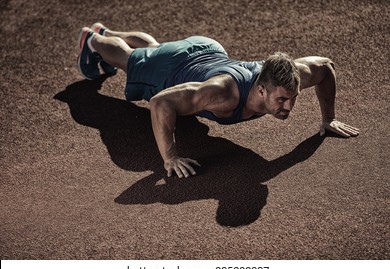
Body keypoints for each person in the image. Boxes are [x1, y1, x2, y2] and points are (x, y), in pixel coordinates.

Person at [76, 23, 359, 178]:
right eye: (282, 99)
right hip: (173, 71)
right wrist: (170, 157)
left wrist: (328, 118)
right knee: (131, 61)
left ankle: (109, 32)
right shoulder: (223, 94)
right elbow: (161, 102)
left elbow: (325, 66)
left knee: (154, 51)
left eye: (293, 98)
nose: (289, 107)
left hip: (208, 50)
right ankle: (93, 39)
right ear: (261, 90)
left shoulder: (287, 75)